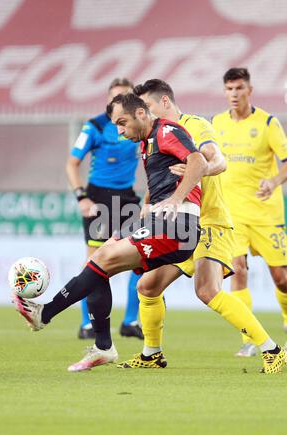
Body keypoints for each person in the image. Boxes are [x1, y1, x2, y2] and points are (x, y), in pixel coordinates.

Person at [13, 92, 206, 372]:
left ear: (141, 113)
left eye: (122, 122)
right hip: (158, 220)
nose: (119, 130)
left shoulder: (166, 130)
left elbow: (198, 161)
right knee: (98, 260)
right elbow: (162, 178)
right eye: (115, 124)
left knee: (103, 259)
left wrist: (177, 199)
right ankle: (103, 347)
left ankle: (46, 313)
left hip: (179, 226)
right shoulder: (147, 142)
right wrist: (149, 204)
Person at [117, 79, 286, 374]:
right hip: (180, 225)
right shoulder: (155, 136)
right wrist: (147, 205)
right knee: (147, 285)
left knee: (207, 290)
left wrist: (199, 169)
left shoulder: (194, 125)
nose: (144, 112)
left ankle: (272, 350)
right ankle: (151, 354)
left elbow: (219, 161)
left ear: (165, 102)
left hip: (210, 221)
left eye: (149, 106)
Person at [212, 67, 287, 357]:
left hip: (266, 214)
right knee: (238, 270)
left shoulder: (267, 123)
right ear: (224, 92)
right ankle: (250, 338)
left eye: (239, 88)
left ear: (249, 91)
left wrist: (274, 181)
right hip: (231, 215)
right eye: (229, 89)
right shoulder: (217, 123)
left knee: (281, 277)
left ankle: (284, 316)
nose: (234, 94)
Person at [66, 78, 143, 340]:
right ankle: (88, 324)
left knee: (141, 259)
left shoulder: (138, 126)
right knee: (95, 260)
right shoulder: (95, 126)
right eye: (115, 97)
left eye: (125, 97)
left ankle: (130, 321)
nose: (119, 102)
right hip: (98, 199)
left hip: (128, 198)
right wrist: (82, 198)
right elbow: (71, 164)